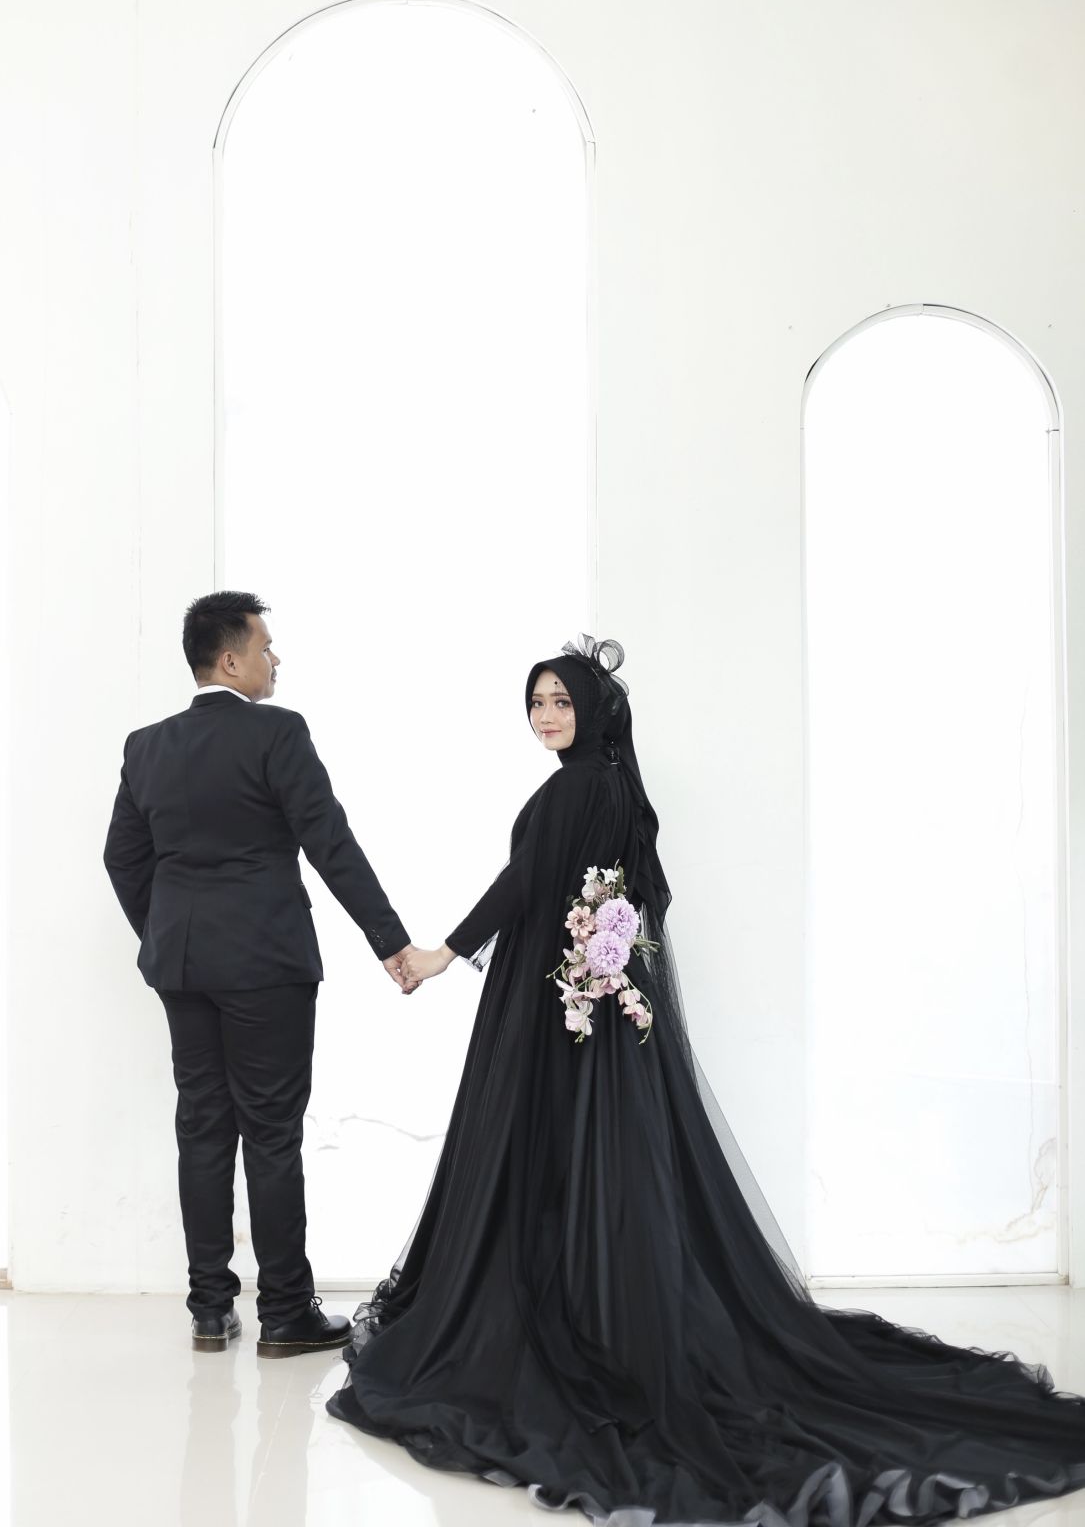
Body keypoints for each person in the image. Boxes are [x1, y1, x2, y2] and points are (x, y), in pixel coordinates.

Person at [327, 634, 1085, 1525]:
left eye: (561, 701)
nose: (544, 716)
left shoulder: (580, 787)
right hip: (584, 1005)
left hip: (563, 1011)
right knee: (589, 1167)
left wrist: (441, 952)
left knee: (557, 1162)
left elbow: (524, 883)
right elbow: (622, 894)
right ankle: (593, 1307)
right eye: (535, 702)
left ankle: (573, 1322)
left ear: (595, 710)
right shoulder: (615, 788)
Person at [104, 591, 418, 1357]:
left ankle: (210, 1310)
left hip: (183, 965)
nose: (276, 658)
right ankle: (283, 1312)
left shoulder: (146, 746)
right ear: (230, 660)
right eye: (265, 646)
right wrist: (390, 942)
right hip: (265, 961)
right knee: (271, 1133)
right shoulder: (277, 732)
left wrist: (167, 932)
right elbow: (328, 840)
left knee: (202, 1127)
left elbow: (122, 858)